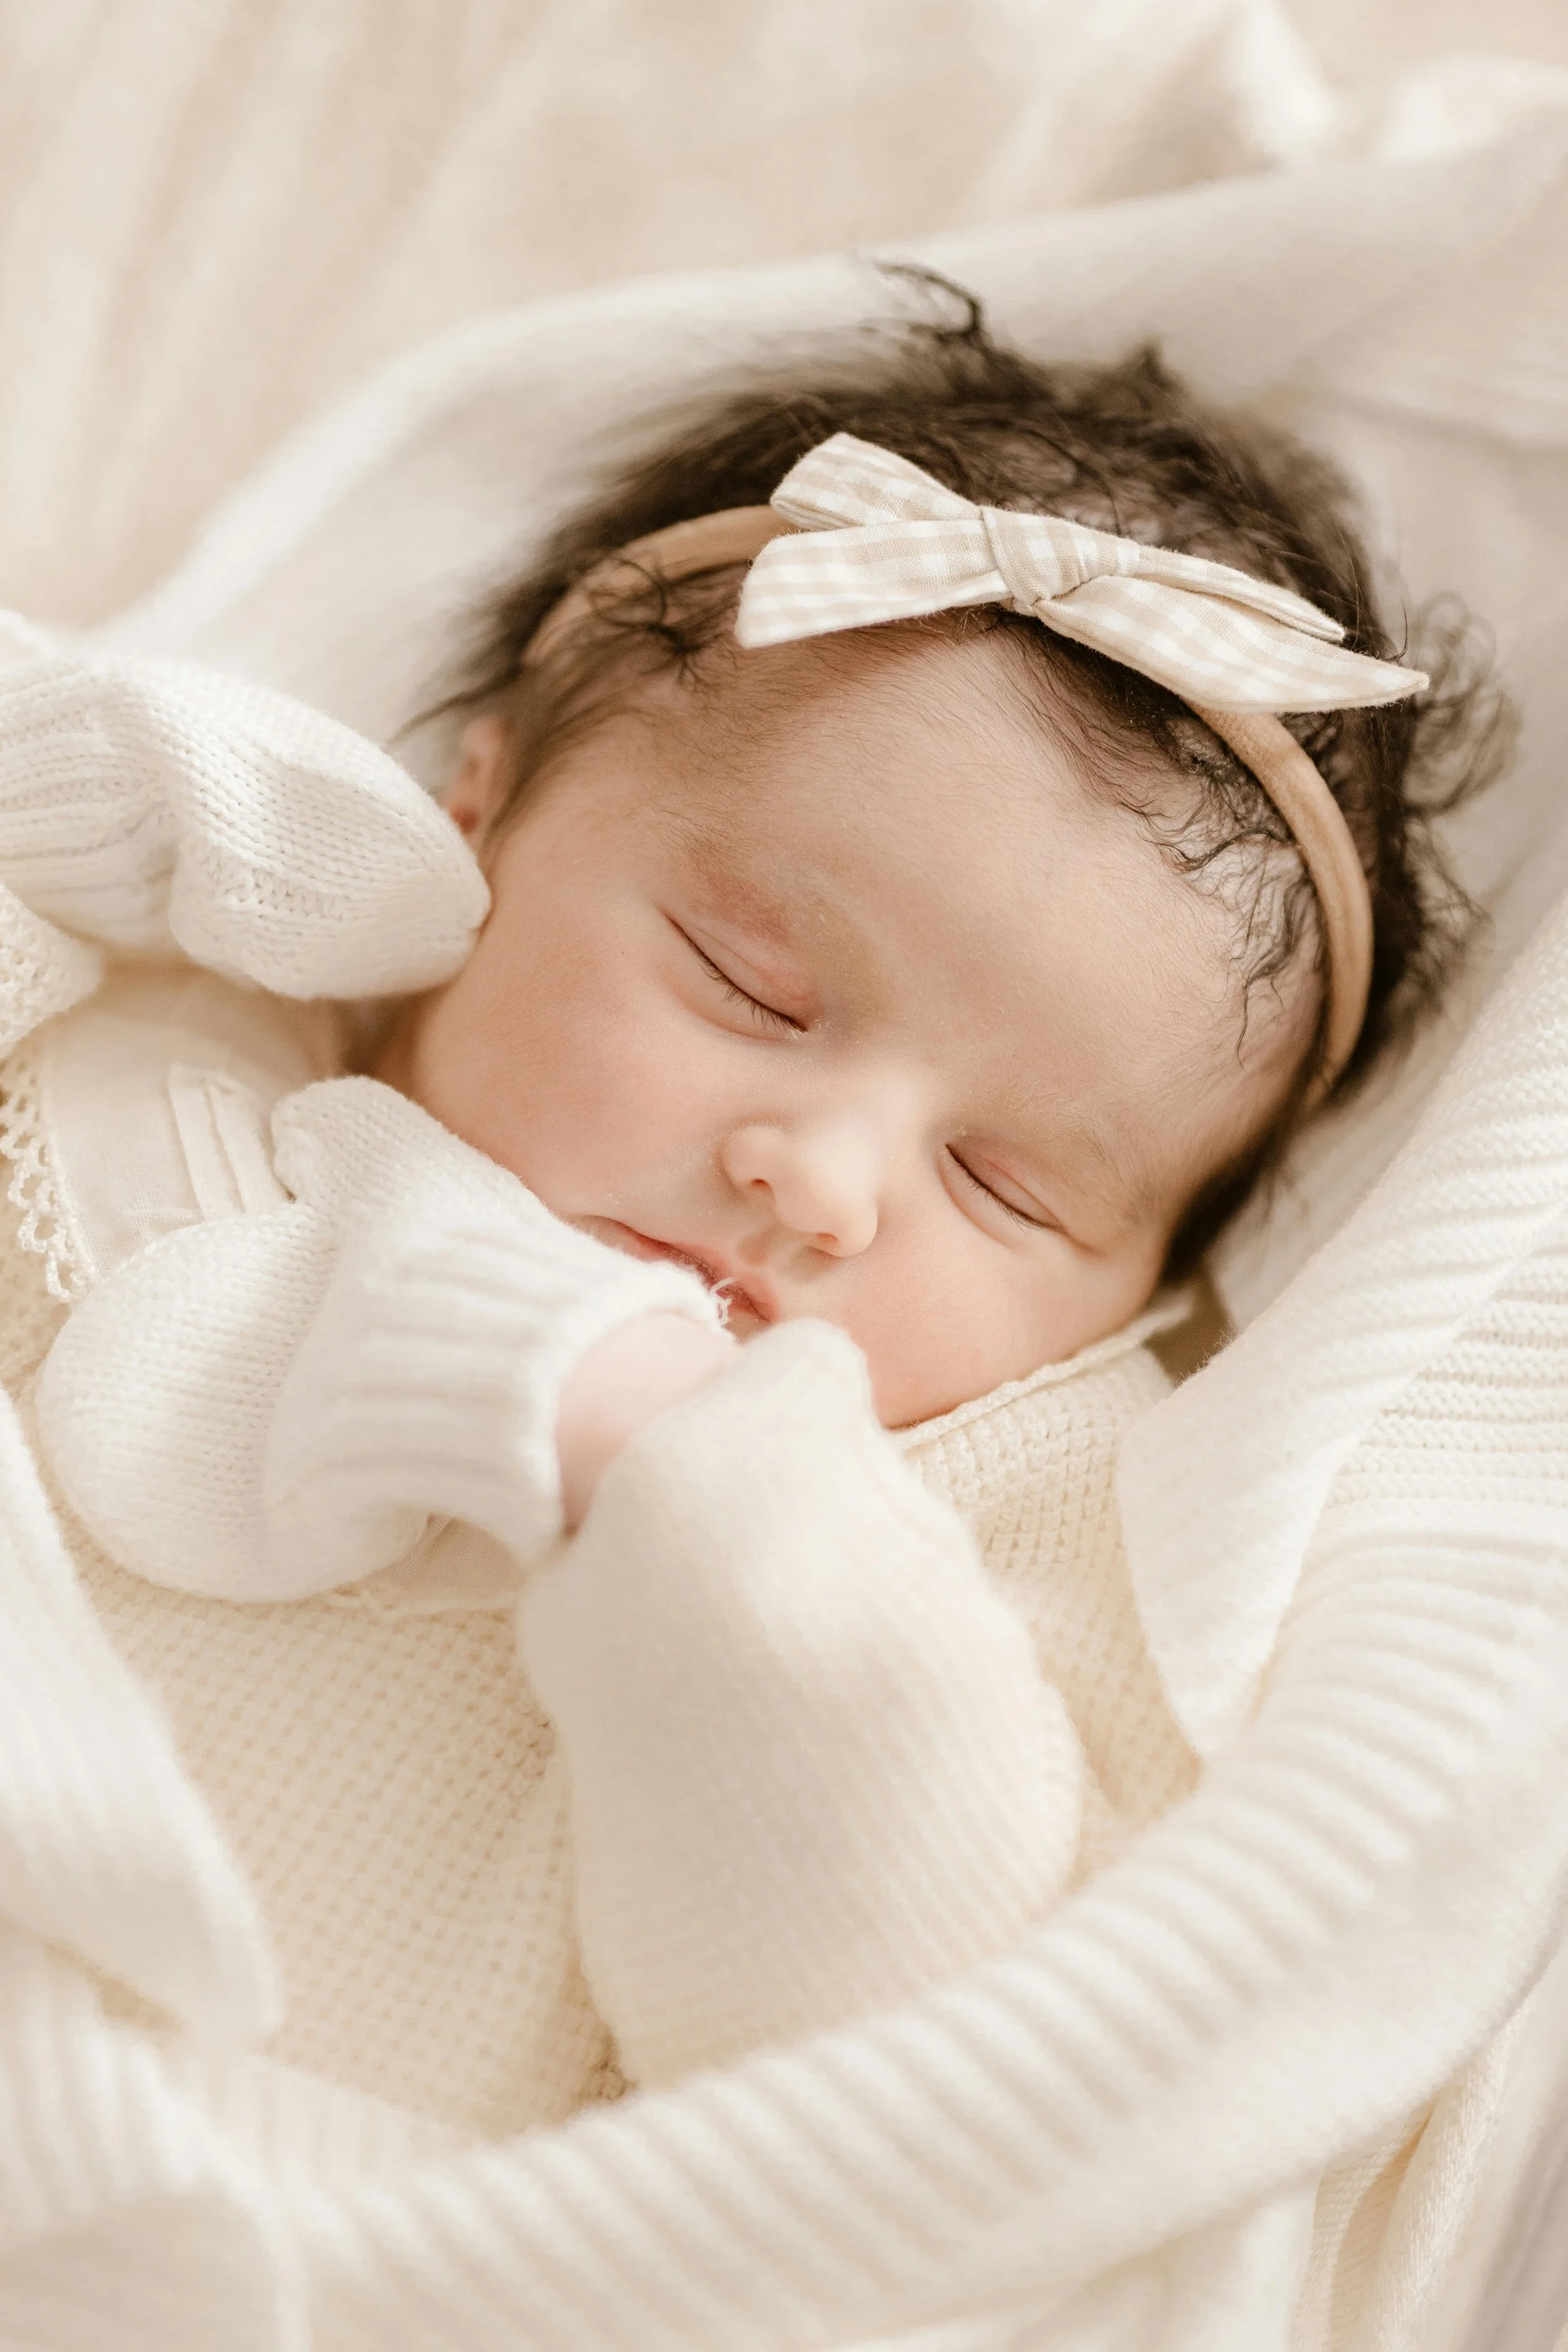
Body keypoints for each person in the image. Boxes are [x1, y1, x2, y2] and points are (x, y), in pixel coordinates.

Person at [0, 307, 1508, 2128]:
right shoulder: (158, 1007)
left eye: (1002, 1183)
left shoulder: (994, 1500)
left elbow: (884, 2038)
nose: (824, 1180)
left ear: (1149, 1287)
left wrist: (684, 1488)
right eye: (754, 986)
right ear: (476, 811)